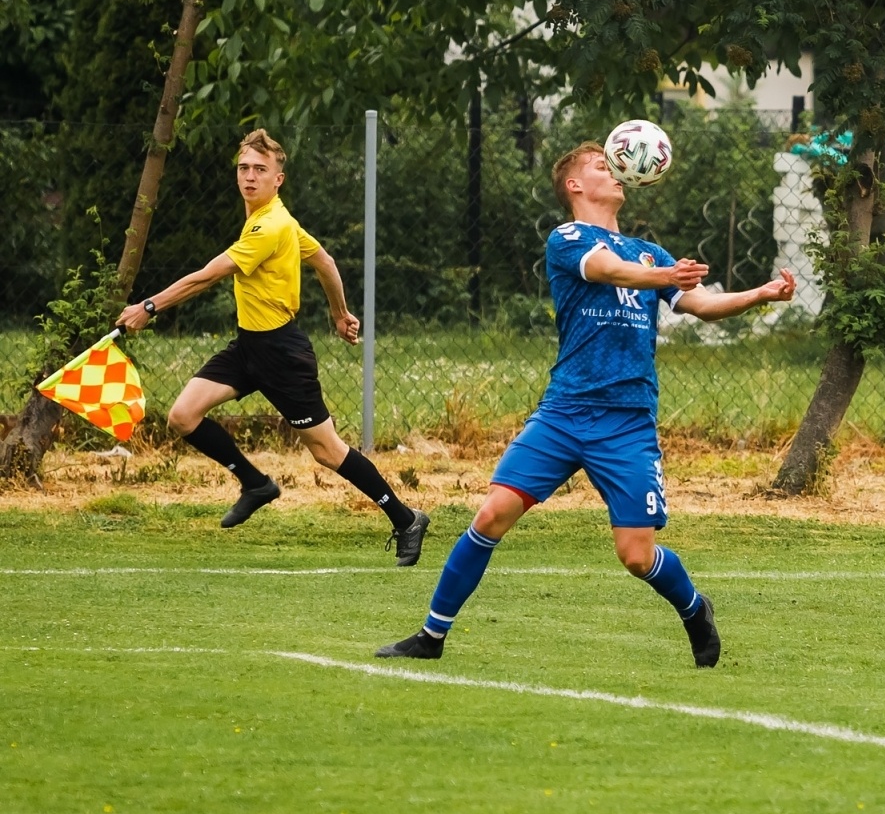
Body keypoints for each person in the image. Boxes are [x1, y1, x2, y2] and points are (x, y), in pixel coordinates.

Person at [375, 139, 796, 666]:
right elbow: (605, 270)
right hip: (564, 411)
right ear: (574, 185)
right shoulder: (568, 238)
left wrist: (759, 294)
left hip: (626, 422)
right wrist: (665, 276)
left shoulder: (650, 252)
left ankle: (694, 609)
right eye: (602, 165)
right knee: (490, 515)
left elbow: (700, 303)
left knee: (636, 556)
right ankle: (431, 638)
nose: (616, 170)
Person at [117, 129, 429, 565]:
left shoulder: (271, 225)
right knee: (183, 415)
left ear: (277, 179)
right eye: (244, 168)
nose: (249, 177)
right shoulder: (278, 219)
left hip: (282, 355)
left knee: (326, 451)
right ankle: (255, 483)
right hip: (249, 346)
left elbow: (209, 275)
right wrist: (339, 313)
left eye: (260, 170)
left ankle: (405, 518)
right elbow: (325, 262)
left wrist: (149, 306)